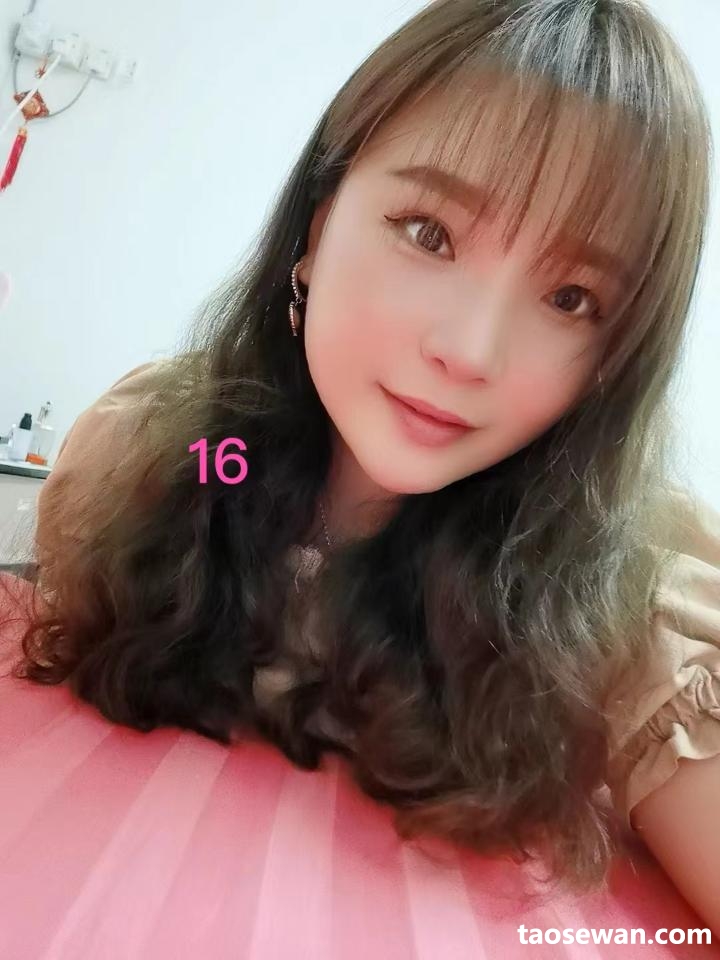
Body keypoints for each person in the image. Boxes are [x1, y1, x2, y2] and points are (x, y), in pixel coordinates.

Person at [8, 0, 720, 931]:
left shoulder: (620, 611)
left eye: (572, 298)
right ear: (316, 230)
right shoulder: (170, 455)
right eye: (429, 234)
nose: (470, 350)